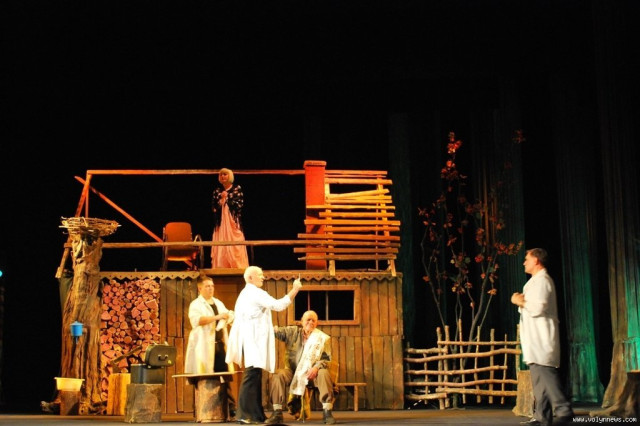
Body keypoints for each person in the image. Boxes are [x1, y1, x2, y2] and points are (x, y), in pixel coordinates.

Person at [225, 266, 303, 424]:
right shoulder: (254, 293)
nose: (263, 277)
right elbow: (278, 305)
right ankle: (244, 414)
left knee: (255, 374)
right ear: (250, 278)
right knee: (251, 374)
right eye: (259, 275)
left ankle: (256, 414)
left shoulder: (245, 293)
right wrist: (295, 290)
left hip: (251, 339)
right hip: (254, 339)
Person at [511, 248, 574, 426]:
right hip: (533, 337)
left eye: (527, 259)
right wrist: (521, 302)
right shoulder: (533, 282)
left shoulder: (543, 281)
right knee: (538, 378)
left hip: (541, 336)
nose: (524, 262)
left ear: (536, 260)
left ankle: (563, 408)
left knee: (545, 371)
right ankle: (542, 416)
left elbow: (539, 307)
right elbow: (528, 307)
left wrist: (520, 301)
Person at [265, 310, 336, 425]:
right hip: (293, 372)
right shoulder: (292, 332)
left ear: (317, 323)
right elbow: (278, 332)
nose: (311, 322)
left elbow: (326, 359)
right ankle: (277, 413)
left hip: (311, 374)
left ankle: (327, 412)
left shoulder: (322, 338)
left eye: (313, 320)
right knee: (278, 375)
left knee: (323, 373)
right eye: (308, 320)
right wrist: (270, 328)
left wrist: (316, 368)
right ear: (302, 321)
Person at [211, 168, 249, 269]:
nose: (223, 176)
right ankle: (221, 267)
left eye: (225, 174)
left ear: (230, 176)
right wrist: (221, 200)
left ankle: (238, 267)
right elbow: (214, 207)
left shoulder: (236, 188)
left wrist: (227, 198)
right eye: (221, 175)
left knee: (235, 243)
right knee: (221, 245)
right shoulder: (217, 191)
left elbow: (239, 205)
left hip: (233, 222)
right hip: (221, 223)